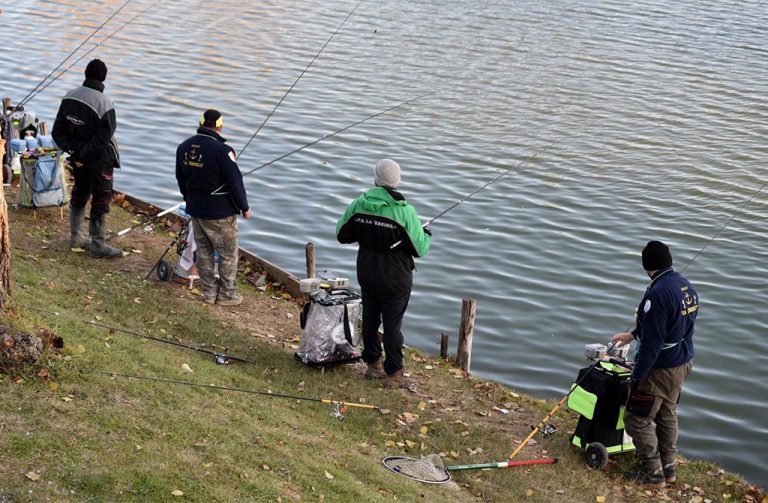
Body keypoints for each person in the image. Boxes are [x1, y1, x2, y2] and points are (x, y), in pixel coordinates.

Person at [336, 159, 432, 389]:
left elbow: (342, 234)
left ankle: (373, 366)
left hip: (368, 272)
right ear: (397, 182)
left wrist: (367, 233)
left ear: (376, 179)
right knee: (392, 325)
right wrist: (426, 233)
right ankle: (394, 373)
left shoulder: (359, 204)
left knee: (370, 319)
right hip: (395, 277)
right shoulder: (404, 211)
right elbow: (420, 249)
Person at [611, 240, 699, 488]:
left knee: (636, 419)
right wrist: (633, 334)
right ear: (668, 261)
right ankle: (669, 468)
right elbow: (671, 326)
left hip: (660, 368)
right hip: (683, 362)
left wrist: (637, 377)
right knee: (666, 412)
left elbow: (652, 344)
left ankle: (653, 473)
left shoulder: (657, 294)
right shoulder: (685, 286)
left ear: (645, 265)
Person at [175, 109, 251, 306]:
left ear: (200, 124)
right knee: (228, 254)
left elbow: (181, 179)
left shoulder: (183, 147)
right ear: (219, 127)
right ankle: (227, 295)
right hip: (221, 213)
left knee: (203, 252)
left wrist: (189, 199)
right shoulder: (223, 151)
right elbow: (235, 182)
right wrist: (244, 207)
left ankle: (209, 293)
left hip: (196, 210)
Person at [52, 59, 123, 258]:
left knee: (80, 192)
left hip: (77, 158)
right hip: (99, 160)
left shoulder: (69, 97)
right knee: (101, 197)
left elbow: (57, 132)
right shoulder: (105, 104)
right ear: (103, 79)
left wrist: (75, 153)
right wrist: (84, 155)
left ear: (85, 74)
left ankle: (76, 236)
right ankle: (98, 244)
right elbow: (103, 139)